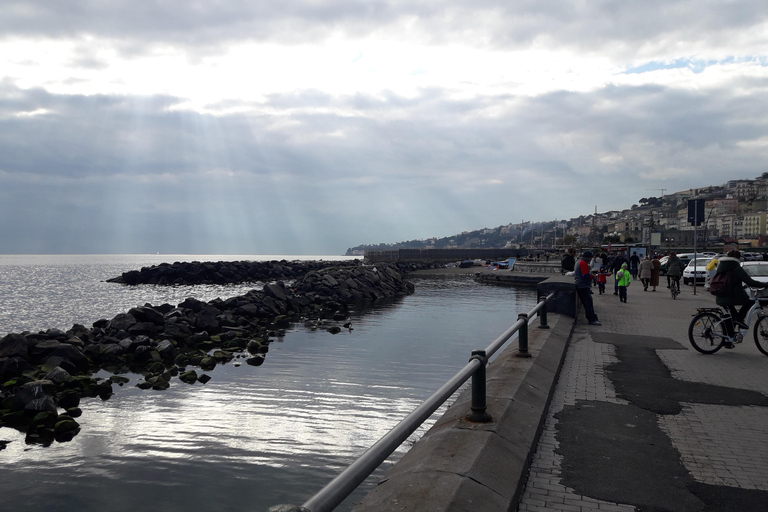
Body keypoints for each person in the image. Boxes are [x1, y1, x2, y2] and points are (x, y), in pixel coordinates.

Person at [713, 250, 768, 348]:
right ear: (738, 258)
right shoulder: (735, 267)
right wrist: (765, 284)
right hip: (730, 296)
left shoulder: (721, 266)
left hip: (720, 296)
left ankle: (728, 339)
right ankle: (739, 319)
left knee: (731, 317)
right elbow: (750, 282)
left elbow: (728, 281)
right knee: (749, 302)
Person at [575, 251, 601, 325]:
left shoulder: (578, 262)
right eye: (590, 258)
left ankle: (592, 318)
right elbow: (585, 275)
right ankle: (591, 319)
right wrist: (593, 276)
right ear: (588, 257)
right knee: (588, 303)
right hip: (583, 285)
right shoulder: (583, 263)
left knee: (588, 302)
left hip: (580, 285)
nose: (590, 259)